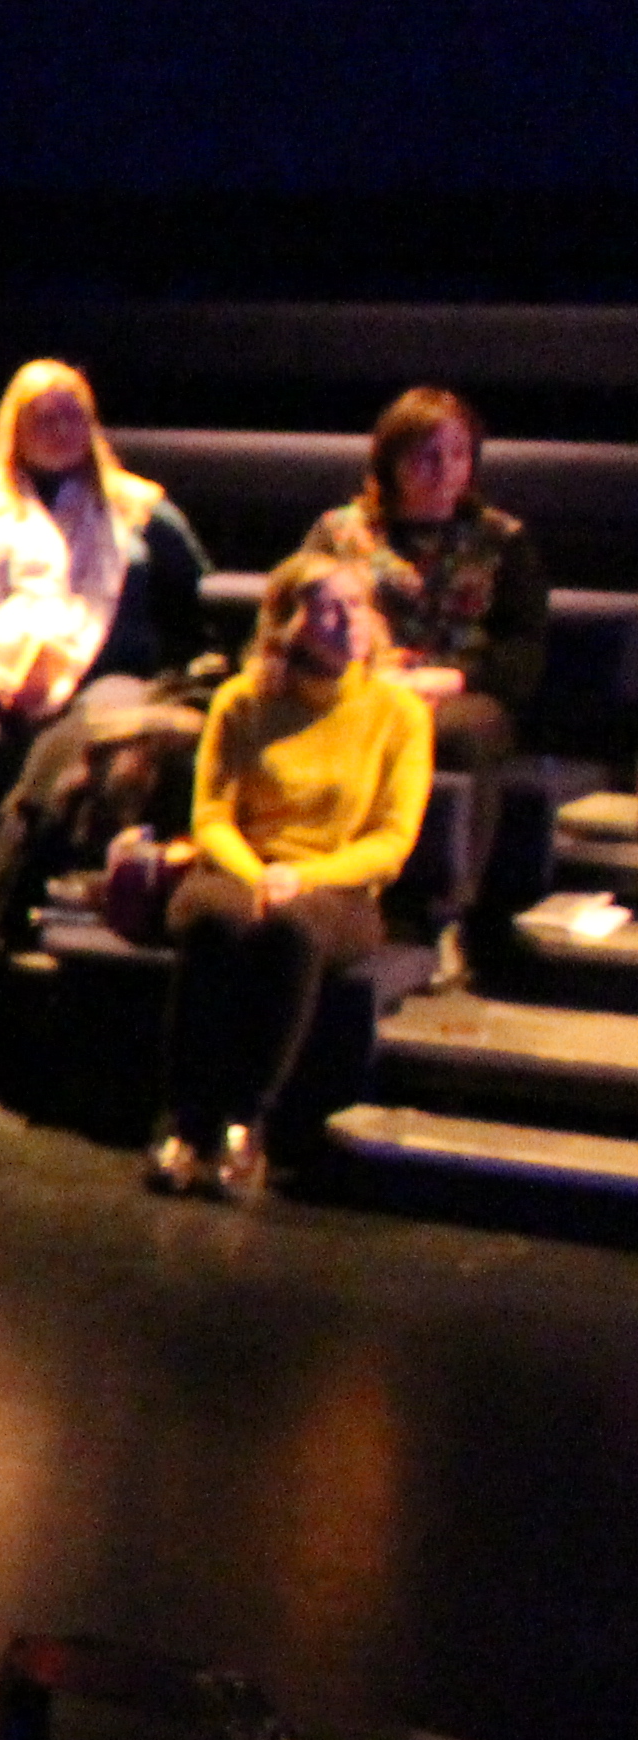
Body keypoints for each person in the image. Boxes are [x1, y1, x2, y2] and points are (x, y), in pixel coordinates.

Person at [143, 548, 431, 1202]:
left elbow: (390, 841)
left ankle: (248, 1123)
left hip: (338, 884)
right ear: (287, 622)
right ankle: (185, 1121)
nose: (343, 621)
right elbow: (212, 815)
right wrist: (260, 874)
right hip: (239, 867)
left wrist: (302, 878)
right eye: (324, 608)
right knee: (219, 920)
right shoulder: (242, 701)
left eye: (354, 605)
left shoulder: (398, 714)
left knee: (292, 934)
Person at [0, 360, 210, 751]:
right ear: (15, 429)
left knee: (99, 732)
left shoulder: (134, 505)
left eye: (73, 418)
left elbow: (196, 580)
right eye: (46, 420)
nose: (61, 432)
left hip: (106, 676)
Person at [302, 386, 544, 772]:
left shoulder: (502, 540)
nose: (445, 469)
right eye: (427, 456)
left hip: (458, 692)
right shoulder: (339, 532)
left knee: (456, 734)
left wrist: (452, 679)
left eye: (458, 454)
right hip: (356, 684)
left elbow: (522, 651)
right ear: (391, 460)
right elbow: (298, 622)